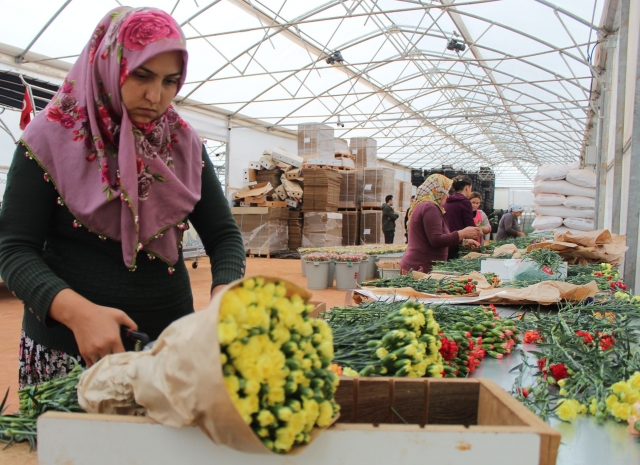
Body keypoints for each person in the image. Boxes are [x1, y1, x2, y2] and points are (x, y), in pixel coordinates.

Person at [0, 7, 246, 387]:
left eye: (170, 81)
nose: (155, 96)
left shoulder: (183, 143)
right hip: (69, 355)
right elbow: (13, 249)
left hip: (169, 348)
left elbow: (223, 235)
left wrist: (225, 291)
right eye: (142, 75)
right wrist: (79, 314)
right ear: (107, 64)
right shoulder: (49, 138)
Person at [400, 175, 480, 273]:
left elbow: (432, 237)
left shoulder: (425, 205)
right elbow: (436, 239)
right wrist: (462, 233)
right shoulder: (430, 207)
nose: (447, 196)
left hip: (420, 266)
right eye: (446, 191)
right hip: (420, 267)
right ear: (438, 190)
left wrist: (462, 241)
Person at [444, 175, 476, 260]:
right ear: (467, 187)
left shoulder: (447, 201)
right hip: (459, 243)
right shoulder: (465, 202)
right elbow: (470, 226)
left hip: (446, 241)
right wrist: (479, 230)